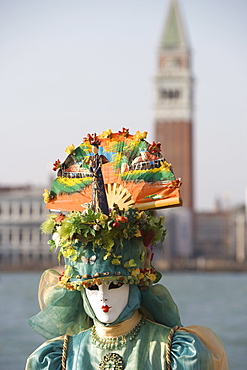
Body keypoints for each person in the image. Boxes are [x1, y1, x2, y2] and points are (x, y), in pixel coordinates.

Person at [26, 207, 228, 370]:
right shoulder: (60, 356)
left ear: (135, 286)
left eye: (115, 284)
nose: (103, 297)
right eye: (92, 287)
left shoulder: (178, 352)